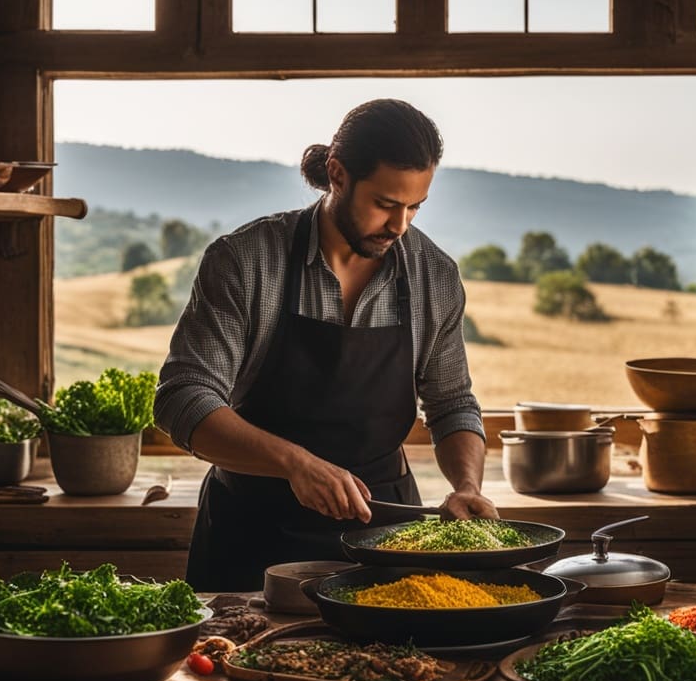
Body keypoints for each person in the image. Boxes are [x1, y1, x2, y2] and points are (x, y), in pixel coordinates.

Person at [154, 98, 498, 591]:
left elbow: (452, 403)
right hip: (252, 534)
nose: (400, 226)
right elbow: (182, 398)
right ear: (337, 175)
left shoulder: (434, 277)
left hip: (385, 537)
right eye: (385, 204)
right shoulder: (246, 260)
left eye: (414, 206)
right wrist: (296, 464)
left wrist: (467, 486)